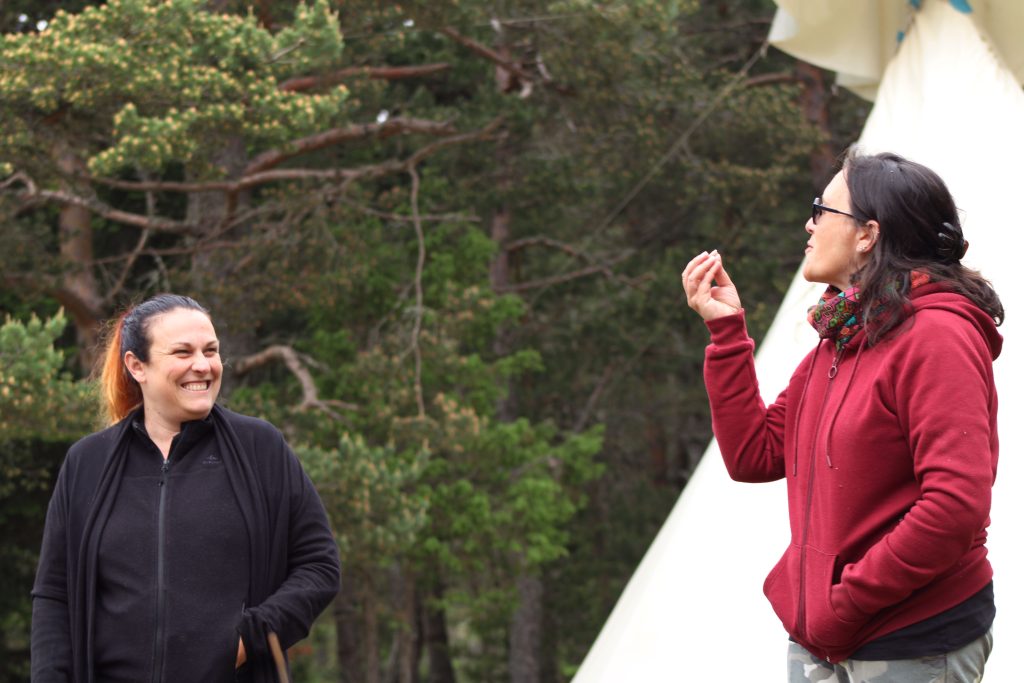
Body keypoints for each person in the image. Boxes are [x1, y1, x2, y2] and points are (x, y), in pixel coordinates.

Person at [681, 151, 1003, 682]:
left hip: (910, 639)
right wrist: (727, 333)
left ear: (866, 234)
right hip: (824, 641)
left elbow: (955, 505)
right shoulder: (842, 340)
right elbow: (753, 456)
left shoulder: (937, 337)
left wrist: (845, 602)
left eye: (822, 209)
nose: (809, 224)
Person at [30, 294, 341, 682]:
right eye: (182, 352)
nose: (203, 365)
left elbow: (319, 565)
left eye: (210, 351)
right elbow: (55, 595)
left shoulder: (259, 448)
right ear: (137, 366)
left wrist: (250, 639)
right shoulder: (86, 463)